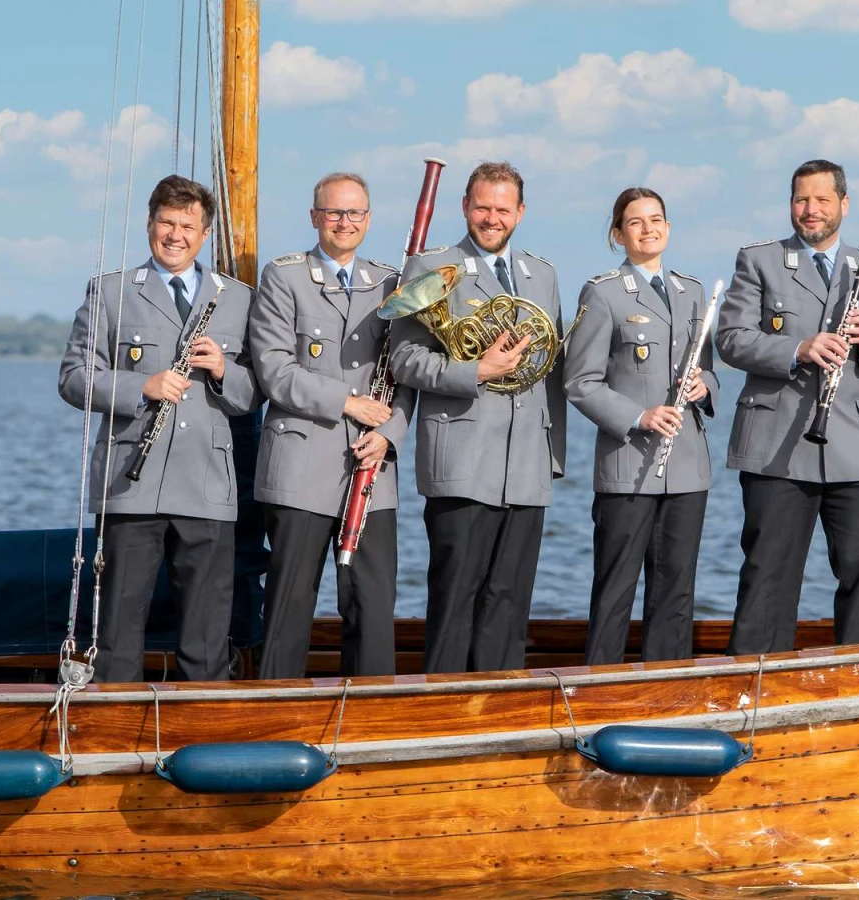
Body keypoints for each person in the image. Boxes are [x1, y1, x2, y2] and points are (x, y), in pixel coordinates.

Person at [58, 174, 260, 682]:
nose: (175, 234)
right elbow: (73, 379)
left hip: (208, 484)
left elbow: (255, 392)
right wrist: (139, 387)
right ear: (150, 225)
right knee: (120, 629)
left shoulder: (237, 298)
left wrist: (222, 370)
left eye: (187, 225)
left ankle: (204, 733)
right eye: (166, 223)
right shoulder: (111, 291)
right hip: (132, 481)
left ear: (205, 232)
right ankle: (114, 738)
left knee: (207, 634)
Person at [714, 158, 859, 654]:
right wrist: (798, 349)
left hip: (854, 445)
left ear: (844, 204)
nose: (811, 210)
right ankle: (756, 694)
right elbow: (731, 340)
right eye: (802, 199)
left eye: (822, 199)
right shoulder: (758, 260)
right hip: (775, 443)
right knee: (769, 575)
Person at [390, 160, 566, 674]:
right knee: (454, 597)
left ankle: (500, 710)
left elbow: (549, 368)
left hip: (526, 462)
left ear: (521, 212)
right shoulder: (431, 265)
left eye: (502, 209)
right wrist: (476, 369)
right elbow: (405, 359)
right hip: (461, 458)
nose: (492, 218)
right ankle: (442, 710)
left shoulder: (544, 274)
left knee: (510, 600)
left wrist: (551, 456)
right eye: (483, 207)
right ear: (465, 206)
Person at [249, 172, 410, 679]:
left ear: (368, 218)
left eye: (355, 213)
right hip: (301, 467)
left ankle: (371, 719)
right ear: (314, 216)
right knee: (289, 607)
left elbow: (407, 372)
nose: (345, 222)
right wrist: (349, 403)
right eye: (334, 213)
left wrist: (389, 434)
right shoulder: (284, 276)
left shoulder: (392, 285)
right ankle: (275, 715)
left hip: (372, 468)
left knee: (372, 605)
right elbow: (274, 370)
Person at [563, 187, 717, 665]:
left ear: (668, 228)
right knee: (615, 589)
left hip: (687, 466)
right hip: (628, 465)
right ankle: (599, 692)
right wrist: (639, 415)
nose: (648, 229)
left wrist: (704, 386)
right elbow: (579, 382)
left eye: (656, 220)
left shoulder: (693, 291)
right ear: (617, 234)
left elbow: (707, 367)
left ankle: (669, 693)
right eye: (635, 222)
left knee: (676, 592)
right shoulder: (602, 292)